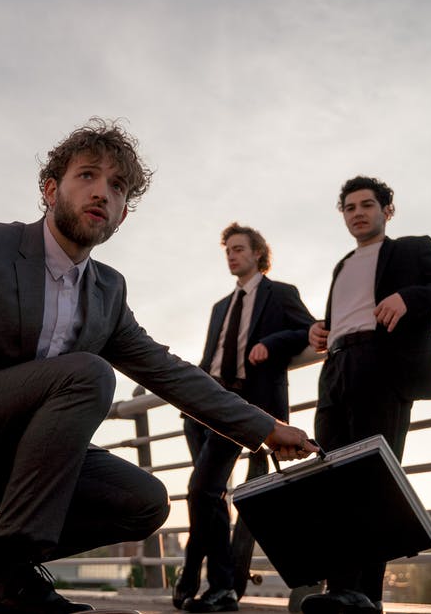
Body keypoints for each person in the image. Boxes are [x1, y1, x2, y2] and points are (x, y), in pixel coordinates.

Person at [0, 118, 317, 614]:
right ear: (51, 189)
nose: (102, 193)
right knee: (89, 372)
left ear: (123, 214)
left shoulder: (107, 292)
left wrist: (266, 428)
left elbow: (170, 372)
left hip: (23, 459)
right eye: (87, 176)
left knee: (143, 501)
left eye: (117, 187)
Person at [303, 176, 431, 614]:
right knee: (332, 478)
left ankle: (361, 592)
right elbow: (344, 314)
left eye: (367, 205)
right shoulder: (341, 265)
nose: (357, 212)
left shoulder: (412, 249)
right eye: (349, 207)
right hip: (336, 368)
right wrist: (321, 329)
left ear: (386, 211)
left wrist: (409, 297)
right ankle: (345, 589)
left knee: (372, 478)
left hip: (382, 365)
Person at [176, 223, 314, 612]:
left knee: (202, 491)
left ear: (258, 254)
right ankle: (211, 584)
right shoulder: (220, 306)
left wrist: (270, 344)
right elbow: (209, 359)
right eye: (228, 251)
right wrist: (188, 399)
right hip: (204, 407)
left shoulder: (280, 293)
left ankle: (213, 584)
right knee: (209, 495)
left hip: (244, 407)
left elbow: (309, 330)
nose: (232, 256)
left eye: (239, 249)